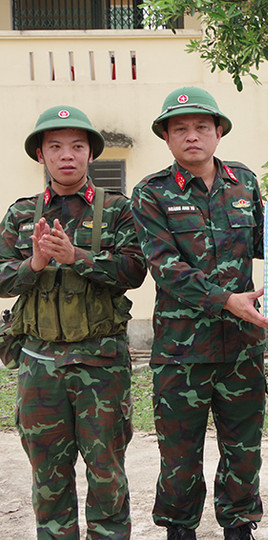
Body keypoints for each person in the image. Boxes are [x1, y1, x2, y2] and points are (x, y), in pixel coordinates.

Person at [131, 87, 268, 540]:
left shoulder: (244, 183)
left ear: (217, 132)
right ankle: (179, 530)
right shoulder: (151, 193)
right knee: (179, 454)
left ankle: (239, 527)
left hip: (241, 350)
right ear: (167, 138)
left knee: (244, 449)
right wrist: (228, 299)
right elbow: (166, 268)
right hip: (181, 353)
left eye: (201, 127)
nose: (192, 136)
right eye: (180, 129)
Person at [0, 106, 147, 539]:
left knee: (106, 473)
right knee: (48, 476)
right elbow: (2, 278)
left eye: (77, 146)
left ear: (90, 154)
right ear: (41, 155)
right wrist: (35, 262)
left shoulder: (119, 209)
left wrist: (76, 258)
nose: (67, 155)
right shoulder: (21, 214)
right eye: (56, 147)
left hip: (100, 364)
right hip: (38, 365)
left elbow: (135, 271)